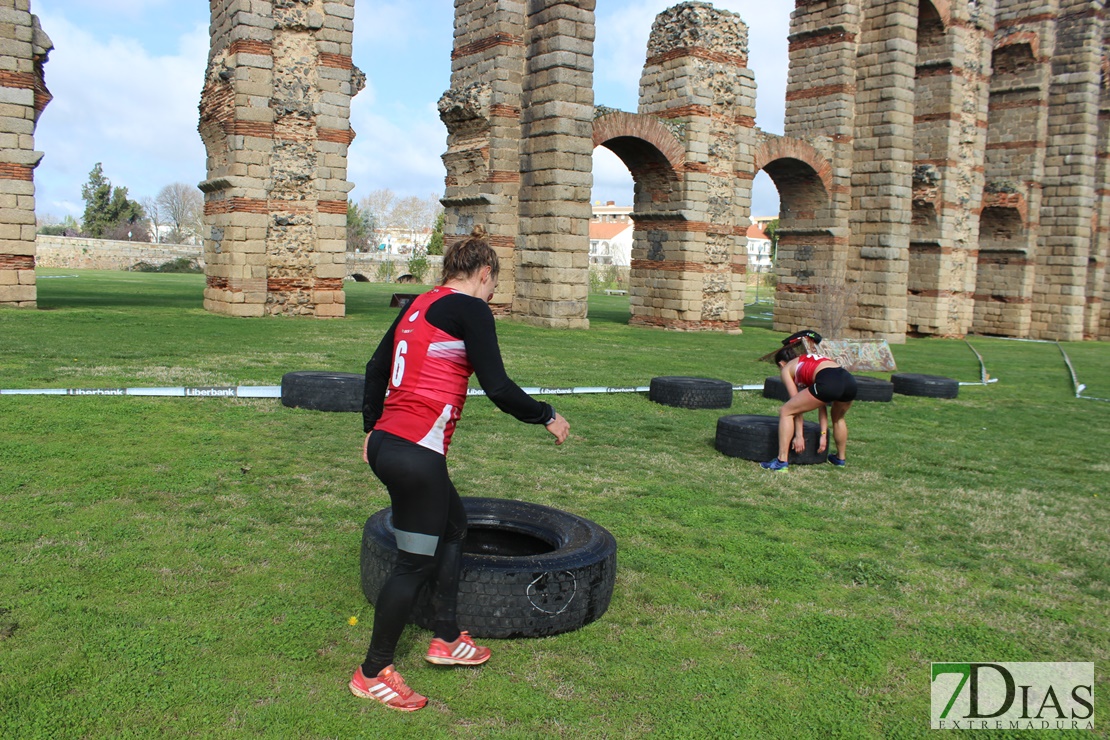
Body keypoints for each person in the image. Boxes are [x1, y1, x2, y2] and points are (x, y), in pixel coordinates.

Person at [350, 225, 570, 711]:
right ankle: (372, 671)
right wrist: (547, 414)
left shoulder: (418, 303)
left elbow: (373, 367)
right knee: (414, 561)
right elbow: (498, 387)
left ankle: (446, 637)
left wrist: (371, 427)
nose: (492, 295)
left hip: (391, 442)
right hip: (414, 451)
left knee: (454, 528)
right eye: (494, 285)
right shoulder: (471, 308)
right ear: (485, 273)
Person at [760, 333, 856, 471]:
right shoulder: (807, 362)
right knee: (838, 418)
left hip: (828, 380)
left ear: (781, 363)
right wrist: (823, 435)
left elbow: (795, 407)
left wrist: (799, 436)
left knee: (786, 411)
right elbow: (821, 404)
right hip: (848, 380)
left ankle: (781, 462)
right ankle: (840, 459)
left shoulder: (787, 369)